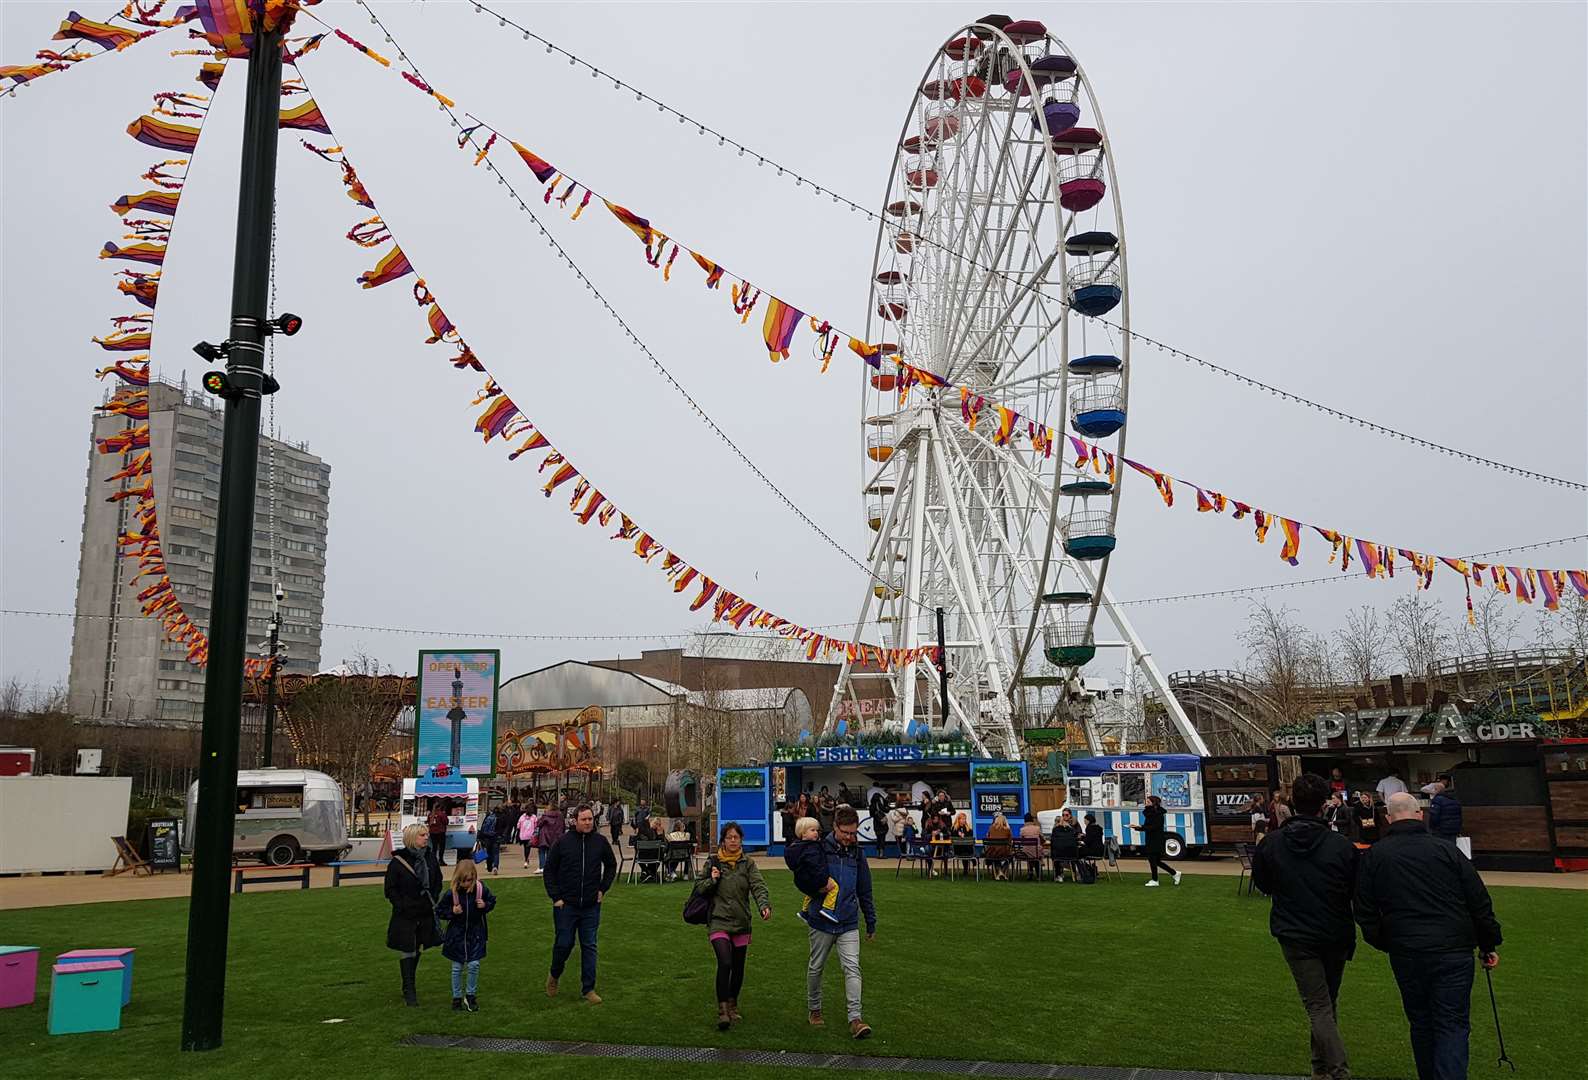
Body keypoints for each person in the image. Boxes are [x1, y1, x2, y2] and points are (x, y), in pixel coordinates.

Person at [1355, 792, 1502, 1080]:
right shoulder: (1446, 851)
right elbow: (1479, 901)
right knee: (1451, 1023)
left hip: (1410, 949)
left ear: (1388, 818)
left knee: (1423, 1022)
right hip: (1449, 948)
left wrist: (1385, 940)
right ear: (1420, 815)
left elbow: (1364, 909)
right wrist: (1488, 944)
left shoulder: (1377, 855)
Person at [1251, 773, 1359, 1080]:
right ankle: (1321, 1069)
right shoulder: (1341, 846)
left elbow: (1264, 884)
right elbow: (1354, 888)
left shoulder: (1272, 844)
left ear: (1293, 803)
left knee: (1319, 1005)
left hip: (1295, 932)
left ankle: (1335, 1071)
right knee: (1324, 1003)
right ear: (1324, 805)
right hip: (1333, 931)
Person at [803, 806, 876, 1039]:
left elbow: (865, 889)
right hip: (821, 919)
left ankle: (855, 1018)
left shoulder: (857, 854)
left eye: (853, 833)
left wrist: (870, 921)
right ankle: (814, 1009)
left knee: (853, 968)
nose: (850, 837)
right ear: (835, 827)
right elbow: (801, 877)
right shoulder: (818, 849)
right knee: (816, 967)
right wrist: (816, 887)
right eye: (846, 832)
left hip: (848, 921)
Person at [693, 821, 772, 1030]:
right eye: (729, 838)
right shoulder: (713, 862)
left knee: (738, 968)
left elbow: (758, 886)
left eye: (737, 838)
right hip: (719, 920)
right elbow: (699, 887)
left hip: (741, 921)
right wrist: (712, 879)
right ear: (723, 840)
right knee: (725, 962)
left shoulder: (748, 864)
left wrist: (763, 905)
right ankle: (723, 1010)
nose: (733, 841)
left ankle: (732, 1003)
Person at [544, 805, 617, 1005]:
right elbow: (549, 870)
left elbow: (611, 865)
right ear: (574, 820)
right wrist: (556, 897)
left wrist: (603, 889)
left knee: (589, 945)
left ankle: (588, 988)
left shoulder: (600, 842)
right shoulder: (563, 842)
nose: (587, 823)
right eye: (583, 819)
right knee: (564, 943)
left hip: (591, 905)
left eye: (590, 819)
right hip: (566, 905)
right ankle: (554, 974)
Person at [385, 823, 442, 1007]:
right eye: (422, 835)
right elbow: (390, 889)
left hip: (424, 911)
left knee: (417, 947)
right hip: (406, 913)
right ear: (412, 838)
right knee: (407, 948)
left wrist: (432, 898)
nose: (426, 837)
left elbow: (437, 881)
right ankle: (409, 989)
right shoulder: (398, 862)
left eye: (426, 835)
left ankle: (408, 983)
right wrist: (402, 905)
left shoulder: (430, 858)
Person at [436, 854, 496, 1012]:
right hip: (456, 935)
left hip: (476, 933)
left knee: (474, 965)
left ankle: (470, 995)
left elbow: (492, 901)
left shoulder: (481, 889)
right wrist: (452, 911)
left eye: (470, 880)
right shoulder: (452, 893)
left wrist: (485, 905)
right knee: (457, 967)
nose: (467, 884)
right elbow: (439, 911)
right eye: (464, 881)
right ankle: (456, 997)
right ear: (458, 879)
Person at [784, 817, 841, 921]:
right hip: (816, 879)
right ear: (803, 833)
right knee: (834, 887)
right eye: (812, 830)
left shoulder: (795, 848)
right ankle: (828, 908)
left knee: (810, 894)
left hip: (802, 882)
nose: (816, 833)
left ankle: (804, 911)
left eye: (817, 830)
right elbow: (816, 866)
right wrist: (824, 880)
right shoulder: (812, 848)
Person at [1134, 794, 1181, 886]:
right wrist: (1139, 827)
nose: (1146, 803)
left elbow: (1153, 827)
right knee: (1156, 861)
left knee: (1153, 860)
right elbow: (1150, 827)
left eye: (1148, 802)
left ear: (1153, 803)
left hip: (1156, 839)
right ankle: (1174, 873)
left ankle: (1155, 880)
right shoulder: (1151, 813)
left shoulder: (1157, 814)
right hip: (1152, 838)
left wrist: (1140, 827)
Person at [1427, 779, 1462, 844]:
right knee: (1451, 847)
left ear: (1436, 790)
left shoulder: (1437, 800)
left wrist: (1432, 828)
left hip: (1441, 830)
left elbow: (1434, 816)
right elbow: (1459, 816)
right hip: (1453, 830)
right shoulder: (1455, 800)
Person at [534, 803, 565, 875]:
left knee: (541, 851)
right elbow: (563, 826)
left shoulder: (545, 815)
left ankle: (542, 867)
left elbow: (538, 824)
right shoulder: (560, 815)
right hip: (555, 836)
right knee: (550, 852)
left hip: (544, 836)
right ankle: (549, 867)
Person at [1050, 811, 1081, 880]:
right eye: (1063, 815)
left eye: (1066, 815)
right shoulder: (1071, 830)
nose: (1064, 817)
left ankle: (1059, 875)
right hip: (1071, 853)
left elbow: (1052, 842)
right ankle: (1075, 873)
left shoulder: (1056, 830)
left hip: (1060, 853)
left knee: (1055, 855)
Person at [983, 812, 1013, 880]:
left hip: (992, 852)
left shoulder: (991, 828)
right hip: (1004, 853)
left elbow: (988, 838)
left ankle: (999, 872)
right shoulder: (1007, 830)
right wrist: (1008, 826)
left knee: (995, 853)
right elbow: (1010, 841)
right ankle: (1002, 871)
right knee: (1010, 857)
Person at [477, 805, 500, 875]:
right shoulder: (500, 818)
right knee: (496, 853)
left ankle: (489, 866)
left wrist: (481, 837)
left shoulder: (488, 818)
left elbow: (483, 827)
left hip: (487, 837)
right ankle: (495, 866)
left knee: (489, 852)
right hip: (496, 837)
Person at [426, 801, 449, 866]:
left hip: (432, 832)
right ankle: (441, 860)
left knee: (434, 847)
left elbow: (428, 822)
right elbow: (446, 822)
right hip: (440, 832)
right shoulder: (441, 814)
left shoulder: (430, 814)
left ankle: (433, 861)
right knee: (442, 847)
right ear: (439, 807)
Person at [867, 788, 889, 858]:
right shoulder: (879, 804)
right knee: (882, 838)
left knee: (878, 838)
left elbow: (871, 815)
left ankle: (879, 853)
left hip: (876, 823)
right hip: (881, 822)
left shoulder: (871, 806)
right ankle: (881, 854)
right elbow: (886, 810)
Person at [516, 805, 538, 870]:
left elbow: (518, 826)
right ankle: (526, 859)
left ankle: (526, 860)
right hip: (530, 835)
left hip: (523, 835)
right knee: (528, 848)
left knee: (525, 847)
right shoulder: (534, 817)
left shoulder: (522, 817)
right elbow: (536, 825)